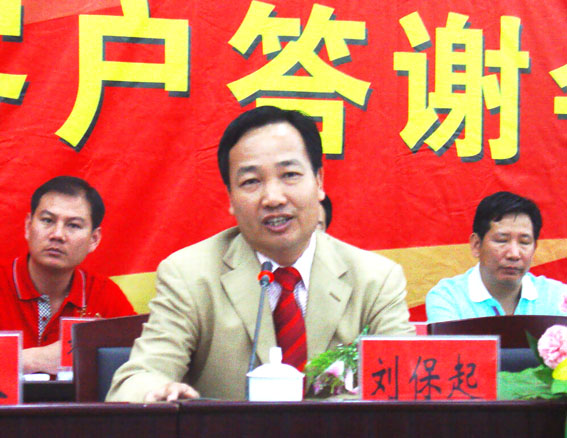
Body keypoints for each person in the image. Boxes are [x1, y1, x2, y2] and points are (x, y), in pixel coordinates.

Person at [107, 106, 414, 402]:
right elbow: (139, 377)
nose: (273, 198)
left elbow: (408, 386)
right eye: (251, 181)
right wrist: (155, 392)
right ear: (230, 198)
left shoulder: (376, 279)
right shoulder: (189, 275)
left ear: (319, 182)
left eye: (289, 174)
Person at [0, 176, 136, 374]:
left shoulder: (106, 296)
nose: (57, 235)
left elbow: (138, 363)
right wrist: (31, 360)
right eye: (47, 221)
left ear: (94, 239)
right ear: (28, 226)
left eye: (73, 225)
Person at [426, 191, 567, 322]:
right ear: (476, 245)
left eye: (524, 242)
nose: (514, 254)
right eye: (502, 240)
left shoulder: (557, 297)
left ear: (534, 248)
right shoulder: (449, 298)